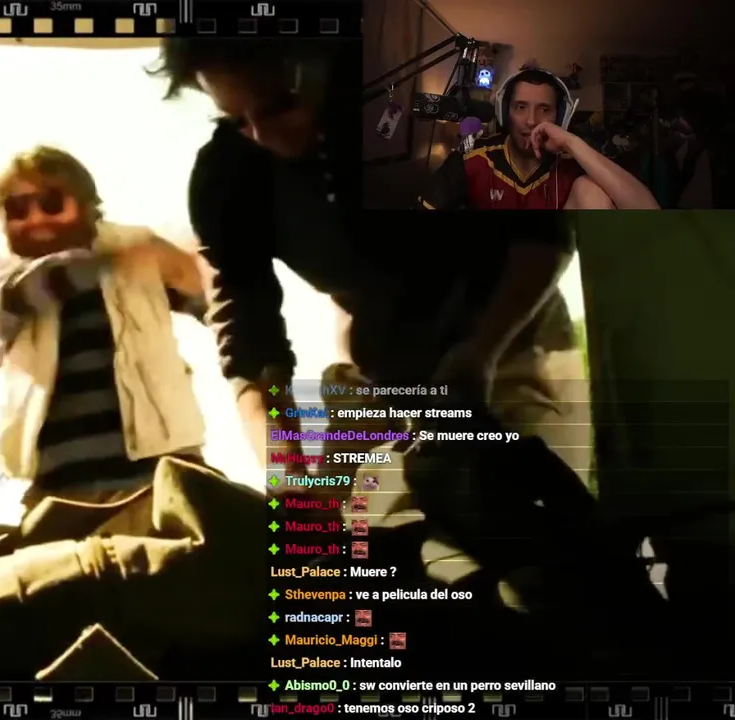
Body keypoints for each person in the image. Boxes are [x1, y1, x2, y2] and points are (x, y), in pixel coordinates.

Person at [152, 39, 591, 538]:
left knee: (527, 536)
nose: (262, 135)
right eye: (235, 119)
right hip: (379, 366)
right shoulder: (229, 176)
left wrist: (479, 353)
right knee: (347, 545)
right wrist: (286, 469)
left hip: (511, 338)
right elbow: (251, 346)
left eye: (280, 105)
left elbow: (542, 237)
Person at [0, 146, 207, 511]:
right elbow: (48, 281)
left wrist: (189, 267)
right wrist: (129, 255)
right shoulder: (4, 278)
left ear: (87, 204)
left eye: (51, 203)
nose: (35, 218)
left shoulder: (140, 253)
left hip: (160, 474)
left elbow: (214, 304)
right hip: (60, 488)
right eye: (17, 209)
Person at [418, 67, 660, 210]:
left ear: (561, 116)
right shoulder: (473, 159)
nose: (531, 120)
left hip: (553, 268)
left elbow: (648, 210)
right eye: (520, 107)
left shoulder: (573, 163)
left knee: (592, 190)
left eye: (544, 109)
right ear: (505, 112)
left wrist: (572, 143)